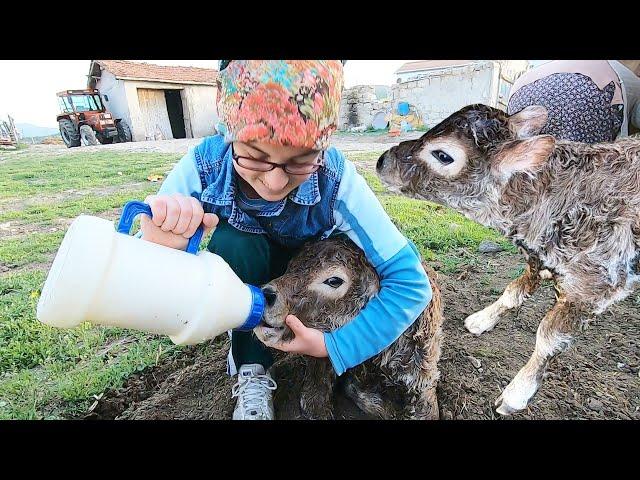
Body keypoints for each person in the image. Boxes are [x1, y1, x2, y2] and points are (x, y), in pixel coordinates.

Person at [139, 60, 432, 420]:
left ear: (323, 147)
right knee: (236, 242)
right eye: (255, 157)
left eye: (301, 161)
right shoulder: (204, 168)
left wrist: (334, 346)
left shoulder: (337, 181)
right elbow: (143, 275)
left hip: (312, 292)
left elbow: (411, 283)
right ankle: (252, 368)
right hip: (247, 278)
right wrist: (160, 246)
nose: (275, 183)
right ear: (227, 133)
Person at [508, 60, 640, 142]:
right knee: (582, 169)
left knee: (525, 170)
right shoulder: (628, 78)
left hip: (520, 92)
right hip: (584, 92)